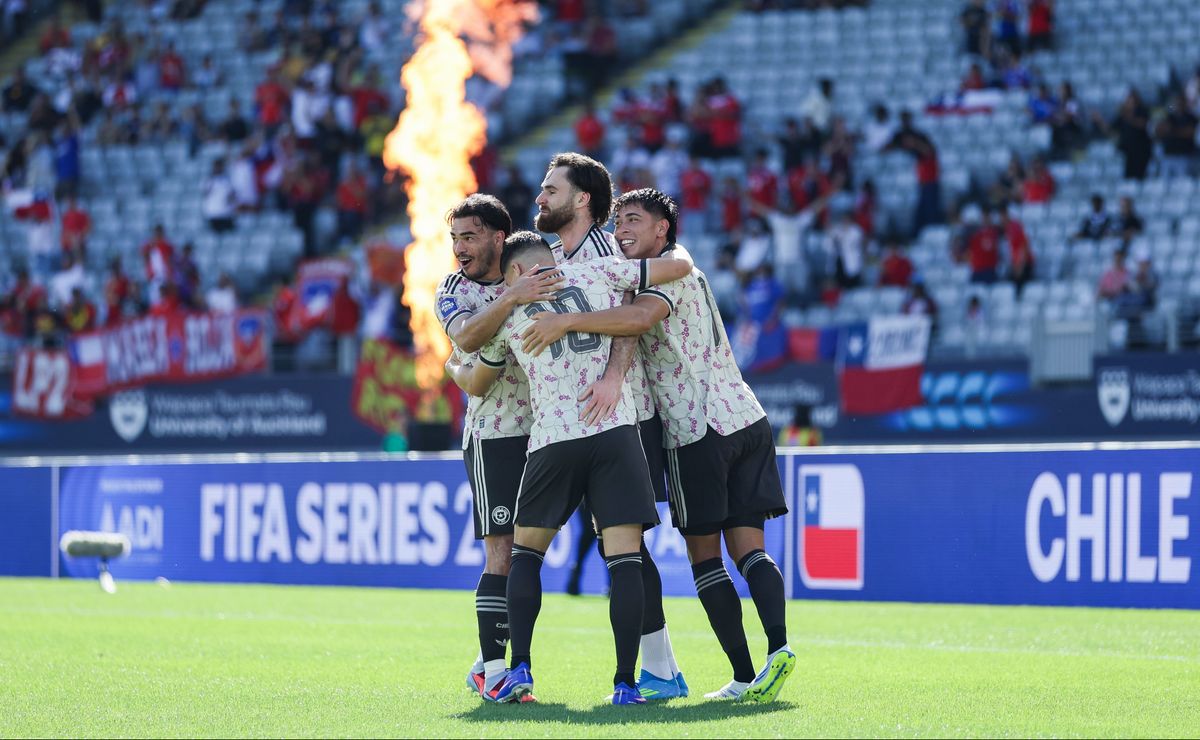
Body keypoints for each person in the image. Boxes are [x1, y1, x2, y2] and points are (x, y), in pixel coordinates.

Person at [521, 189, 795, 704]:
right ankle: (778, 651)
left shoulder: (668, 269)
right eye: (618, 220)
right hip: (746, 416)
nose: (622, 229)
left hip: (697, 429)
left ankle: (742, 675)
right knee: (749, 548)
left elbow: (638, 319)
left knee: (704, 557)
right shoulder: (680, 266)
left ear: (662, 230)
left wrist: (566, 320)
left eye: (633, 220)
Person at [446, 230, 694, 705]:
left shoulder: (507, 308)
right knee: (624, 559)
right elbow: (676, 269)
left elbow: (478, 380)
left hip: (554, 440)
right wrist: (674, 244)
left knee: (525, 556)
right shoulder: (596, 271)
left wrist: (452, 368)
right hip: (614, 432)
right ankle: (626, 684)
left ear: (515, 271)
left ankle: (520, 670)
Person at [532, 153, 688, 700]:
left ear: (581, 199)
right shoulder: (548, 254)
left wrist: (614, 377)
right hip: (569, 423)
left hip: (625, 413)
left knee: (625, 546)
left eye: (551, 188)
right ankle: (662, 668)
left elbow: (630, 317)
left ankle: (658, 670)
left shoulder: (609, 250)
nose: (540, 197)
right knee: (616, 548)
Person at [433, 195, 559, 703]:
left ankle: (499, 661)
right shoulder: (453, 289)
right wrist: (512, 296)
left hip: (551, 432)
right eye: (455, 238)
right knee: (502, 553)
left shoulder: (535, 266)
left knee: (529, 556)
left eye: (469, 236)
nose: (460, 249)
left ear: (497, 237)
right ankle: (492, 671)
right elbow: (465, 338)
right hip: (494, 436)